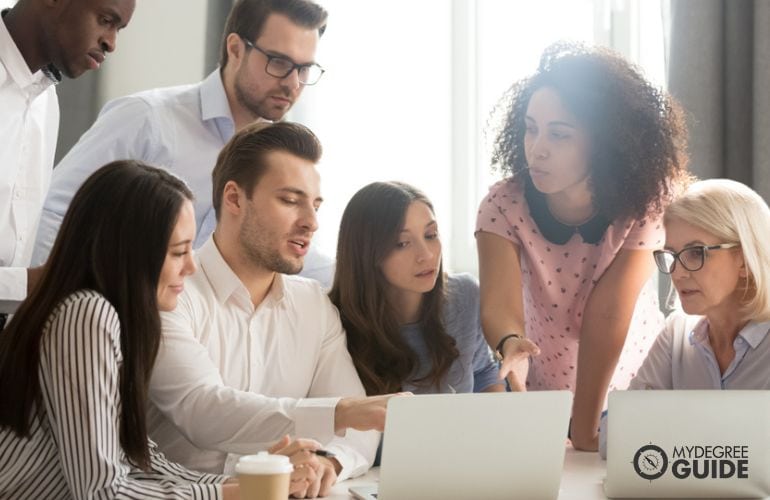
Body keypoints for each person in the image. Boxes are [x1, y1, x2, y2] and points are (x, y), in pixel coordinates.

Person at [148, 122, 390, 499]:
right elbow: (202, 410)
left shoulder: (313, 303)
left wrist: (326, 463)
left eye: (315, 204)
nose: (310, 222)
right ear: (234, 199)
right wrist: (340, 412)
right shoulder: (170, 292)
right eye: (291, 201)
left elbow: (363, 428)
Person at [475, 41, 690, 450]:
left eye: (559, 134)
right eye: (531, 127)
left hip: (635, 387)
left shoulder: (646, 202)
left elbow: (608, 314)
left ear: (605, 143)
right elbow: (499, 303)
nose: (537, 147)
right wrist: (509, 342)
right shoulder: (502, 204)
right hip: (544, 390)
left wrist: (587, 429)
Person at [32, 0, 335, 287]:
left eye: (304, 68)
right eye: (279, 62)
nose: (293, 83)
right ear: (235, 49)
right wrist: (56, 309)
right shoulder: (146, 119)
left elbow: (296, 255)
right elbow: (55, 212)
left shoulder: (282, 164)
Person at [0, 161, 238, 498]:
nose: (191, 266)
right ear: (130, 253)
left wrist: (239, 485)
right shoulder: (86, 315)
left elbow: (142, 459)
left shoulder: (107, 319)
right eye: (178, 252)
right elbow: (103, 492)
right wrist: (231, 495)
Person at [598, 179, 770, 458]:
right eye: (672, 255)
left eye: (695, 252)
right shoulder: (676, 334)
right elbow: (612, 437)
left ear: (744, 259)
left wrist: (669, 424)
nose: (677, 273)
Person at [0, 0, 135, 323]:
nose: (111, 43)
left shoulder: (47, 103)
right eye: (105, 20)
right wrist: (35, 283)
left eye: (119, 29)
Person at [329, 181, 504, 396]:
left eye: (431, 235)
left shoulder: (465, 295)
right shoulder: (332, 321)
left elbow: (482, 372)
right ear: (366, 254)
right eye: (402, 243)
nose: (427, 255)